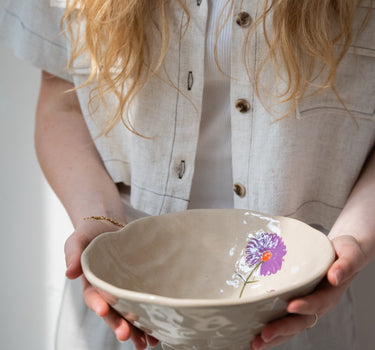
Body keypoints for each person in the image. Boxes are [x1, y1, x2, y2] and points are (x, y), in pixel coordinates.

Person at [1, 0, 374, 349]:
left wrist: (353, 238)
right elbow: (62, 100)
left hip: (303, 290)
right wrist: (97, 218)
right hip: (125, 292)